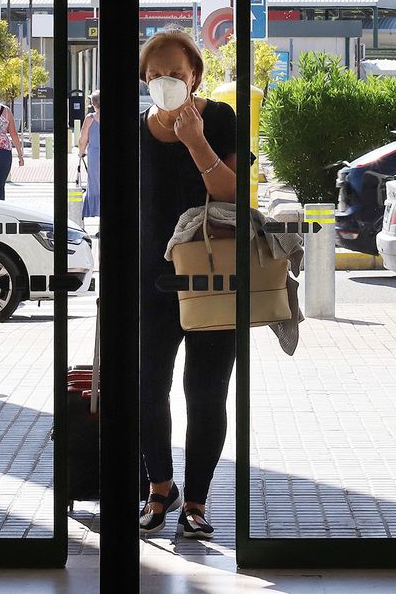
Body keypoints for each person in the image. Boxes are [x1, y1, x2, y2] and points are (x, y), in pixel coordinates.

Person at [137, 29, 239, 540]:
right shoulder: (135, 131)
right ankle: (160, 489)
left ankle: (195, 501)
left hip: (212, 276)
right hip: (149, 279)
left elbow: (232, 192)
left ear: (195, 76)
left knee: (205, 392)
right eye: (155, 77)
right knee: (146, 388)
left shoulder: (219, 119)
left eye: (175, 75)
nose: (165, 84)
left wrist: (195, 140)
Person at [79, 89, 102, 218]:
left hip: (94, 156)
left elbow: (83, 139)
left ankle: (96, 212)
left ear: (93, 104)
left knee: (95, 183)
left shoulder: (90, 119)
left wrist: (81, 152)